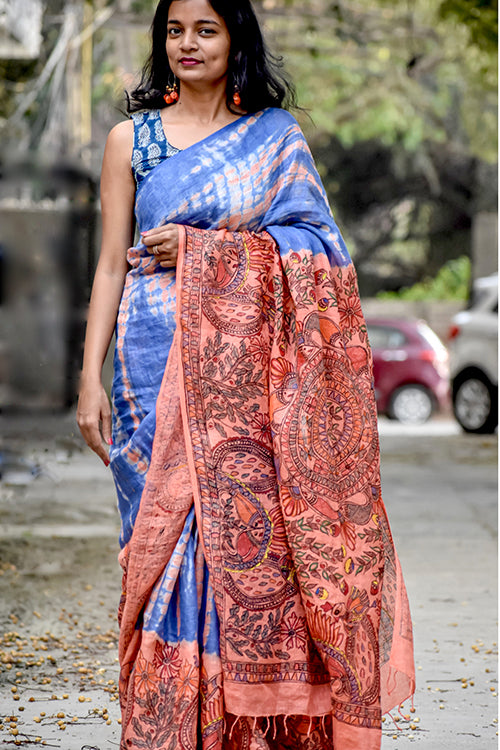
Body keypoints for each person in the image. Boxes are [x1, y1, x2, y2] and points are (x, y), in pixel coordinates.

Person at [77, 1, 415, 748]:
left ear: (235, 39)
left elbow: (321, 250)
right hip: (149, 364)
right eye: (174, 30)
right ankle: (172, 727)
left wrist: (205, 255)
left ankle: (247, 733)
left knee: (251, 549)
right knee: (162, 551)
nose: (187, 44)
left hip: (247, 379)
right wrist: (88, 376)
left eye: (206, 29)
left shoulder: (275, 138)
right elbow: (108, 263)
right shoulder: (129, 140)